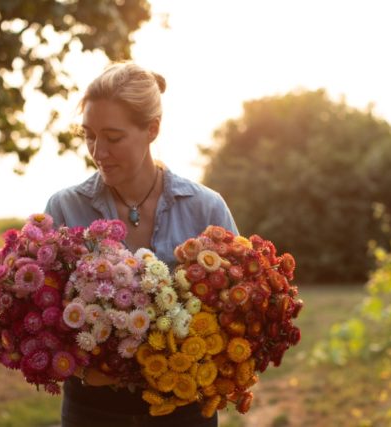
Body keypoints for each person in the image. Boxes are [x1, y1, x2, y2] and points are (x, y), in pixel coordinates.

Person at [44, 62, 238, 427]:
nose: (98, 151)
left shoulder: (205, 207)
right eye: (88, 135)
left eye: (113, 138)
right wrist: (85, 372)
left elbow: (236, 313)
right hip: (91, 411)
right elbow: (42, 319)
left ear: (152, 130)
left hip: (184, 413)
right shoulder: (64, 208)